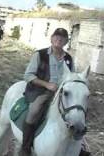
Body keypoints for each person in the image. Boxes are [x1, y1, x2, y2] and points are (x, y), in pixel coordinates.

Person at [20, 28, 74, 156]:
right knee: (34, 111)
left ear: (66, 41)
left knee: (76, 114)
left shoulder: (69, 59)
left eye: (62, 37)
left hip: (61, 93)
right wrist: (47, 85)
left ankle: (77, 146)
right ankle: (25, 147)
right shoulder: (40, 55)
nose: (59, 39)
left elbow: (71, 77)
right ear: (51, 38)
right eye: (56, 36)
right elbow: (28, 75)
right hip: (41, 91)